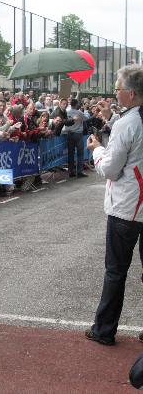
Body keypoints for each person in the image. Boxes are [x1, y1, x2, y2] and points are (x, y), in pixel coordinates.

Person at [85, 65, 143, 346]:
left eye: (118, 89)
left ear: (131, 94)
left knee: (116, 271)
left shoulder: (128, 123)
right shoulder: (128, 120)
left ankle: (104, 329)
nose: (115, 93)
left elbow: (110, 169)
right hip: (136, 204)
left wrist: (96, 149)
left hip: (128, 207)